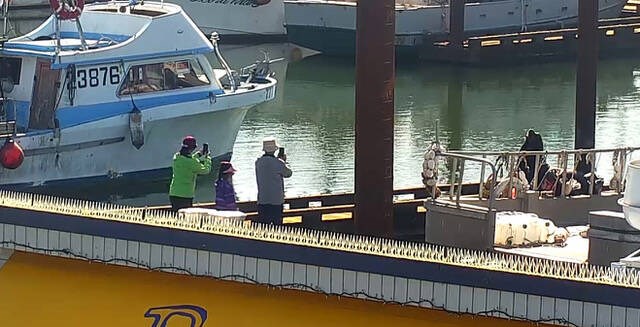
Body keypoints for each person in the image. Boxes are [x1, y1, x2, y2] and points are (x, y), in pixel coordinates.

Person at [169, 136, 212, 212]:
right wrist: (207, 157)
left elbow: (190, 159)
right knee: (185, 218)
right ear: (192, 148)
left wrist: (199, 154)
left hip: (174, 193)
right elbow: (205, 170)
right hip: (185, 195)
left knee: (176, 216)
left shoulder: (177, 157)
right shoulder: (191, 162)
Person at [255, 137, 292, 224]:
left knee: (263, 226)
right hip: (276, 200)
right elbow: (288, 173)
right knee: (277, 226)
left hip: (262, 199)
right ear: (275, 150)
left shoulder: (258, 162)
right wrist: (283, 162)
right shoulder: (278, 163)